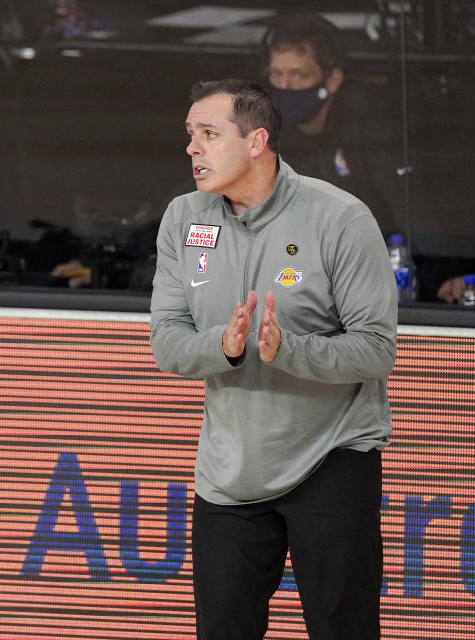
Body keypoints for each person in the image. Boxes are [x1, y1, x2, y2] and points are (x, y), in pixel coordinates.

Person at [149, 79, 397, 639]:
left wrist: (288, 351)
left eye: (208, 134)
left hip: (331, 459)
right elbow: (166, 340)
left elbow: (377, 349)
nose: (192, 148)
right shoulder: (184, 219)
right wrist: (224, 346)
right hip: (229, 474)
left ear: (256, 141)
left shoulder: (340, 219)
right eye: (190, 134)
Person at [263, 12, 399, 238]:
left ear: (332, 80)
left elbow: (408, 203)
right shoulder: (263, 130)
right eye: (277, 74)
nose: (285, 86)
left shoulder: (367, 124)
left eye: (298, 75)